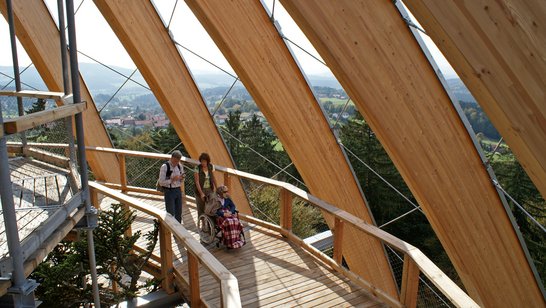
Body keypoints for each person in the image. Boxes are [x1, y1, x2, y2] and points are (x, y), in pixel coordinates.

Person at [158, 150, 185, 223]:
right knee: (171, 213)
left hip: (178, 190)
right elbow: (161, 182)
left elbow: (182, 178)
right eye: (175, 161)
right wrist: (172, 180)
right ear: (172, 158)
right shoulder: (165, 166)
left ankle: (178, 233)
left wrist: (181, 178)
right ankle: (171, 230)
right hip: (169, 191)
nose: (176, 163)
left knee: (179, 212)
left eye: (178, 161)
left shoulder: (180, 166)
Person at [194, 152, 217, 218]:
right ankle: (203, 224)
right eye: (201, 161)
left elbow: (213, 178)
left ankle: (209, 222)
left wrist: (217, 188)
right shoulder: (197, 168)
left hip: (209, 189)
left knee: (210, 206)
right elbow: (197, 181)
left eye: (204, 161)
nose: (203, 163)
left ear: (208, 161)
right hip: (200, 189)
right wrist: (201, 193)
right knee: (201, 207)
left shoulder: (211, 167)